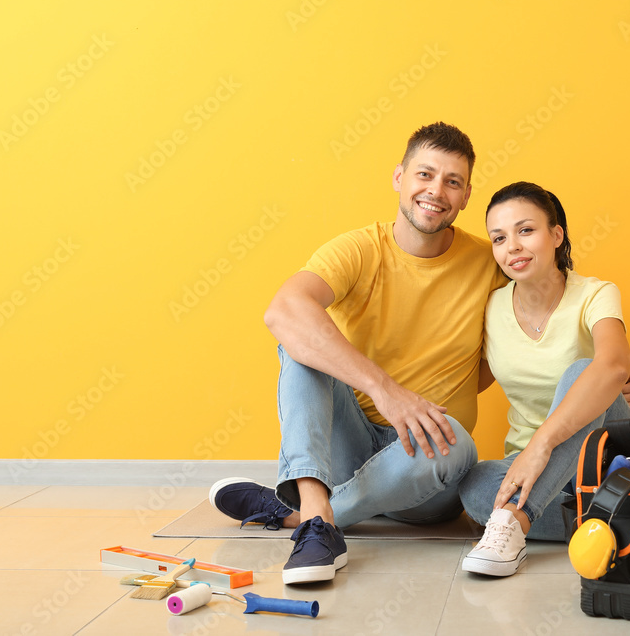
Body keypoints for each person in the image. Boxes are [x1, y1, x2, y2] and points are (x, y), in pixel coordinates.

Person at [209, 122, 510, 584]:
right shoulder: (358, 249)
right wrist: (385, 391)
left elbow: (543, 320)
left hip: (428, 471)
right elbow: (283, 311)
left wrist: (608, 372)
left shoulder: (488, 261)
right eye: (425, 175)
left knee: (457, 443)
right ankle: (316, 511)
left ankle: (307, 516)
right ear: (398, 178)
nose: (436, 191)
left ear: (467, 194)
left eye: (453, 181)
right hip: (350, 445)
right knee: (299, 343)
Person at [458, 181, 630, 577]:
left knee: (584, 371)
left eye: (525, 230)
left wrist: (541, 445)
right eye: (499, 238)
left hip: (607, 460)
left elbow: (614, 365)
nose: (511, 246)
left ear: (556, 235)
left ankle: (516, 522)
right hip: (536, 471)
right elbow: (465, 380)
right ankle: (618, 520)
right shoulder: (490, 307)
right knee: (475, 484)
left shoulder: (595, 293)